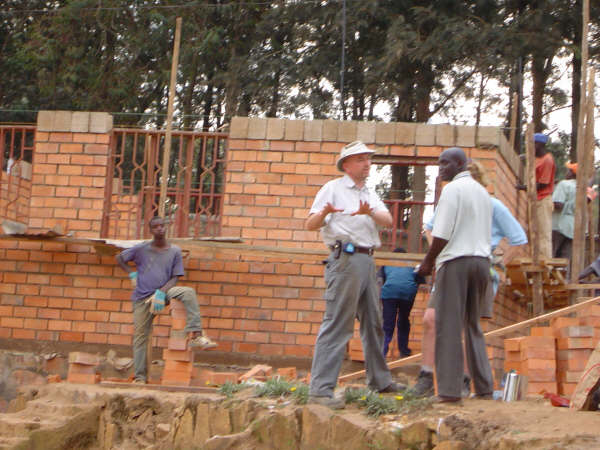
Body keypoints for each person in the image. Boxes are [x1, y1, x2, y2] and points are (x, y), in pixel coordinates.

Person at [415, 160, 528, 398]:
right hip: (451, 263)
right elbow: (432, 228)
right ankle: (427, 377)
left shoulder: (490, 204)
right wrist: (437, 255)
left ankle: (461, 385)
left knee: (467, 327)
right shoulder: (455, 196)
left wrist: (499, 264)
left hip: (476, 267)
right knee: (432, 319)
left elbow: (519, 239)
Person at [305, 140, 405, 409]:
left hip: (367, 260)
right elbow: (310, 224)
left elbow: (388, 220)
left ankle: (380, 380)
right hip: (346, 259)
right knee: (338, 323)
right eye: (361, 159)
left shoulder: (369, 193)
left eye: (368, 159)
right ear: (346, 165)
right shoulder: (333, 189)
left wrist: (369, 210)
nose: (367, 163)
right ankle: (320, 391)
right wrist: (325, 212)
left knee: (374, 322)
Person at [416, 147, 494, 403]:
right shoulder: (483, 192)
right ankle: (483, 387)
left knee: (448, 327)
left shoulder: (452, 190)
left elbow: (442, 234)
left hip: (456, 262)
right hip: (482, 264)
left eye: (445, 164)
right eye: (439, 164)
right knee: (473, 325)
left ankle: (449, 392)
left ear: (461, 164)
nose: (440, 170)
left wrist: (428, 263)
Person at [116, 216, 216, 384]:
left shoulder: (174, 251)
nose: (160, 229)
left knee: (188, 292)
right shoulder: (141, 249)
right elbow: (120, 258)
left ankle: (197, 335)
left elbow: (175, 277)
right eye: (156, 227)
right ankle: (140, 377)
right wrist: (131, 273)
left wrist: (161, 293)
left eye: (163, 226)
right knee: (141, 336)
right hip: (142, 297)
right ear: (151, 230)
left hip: (165, 293)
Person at [378, 248, 425, 358]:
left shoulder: (387, 263)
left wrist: (379, 297)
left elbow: (380, 280)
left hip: (389, 293)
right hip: (407, 294)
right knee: (403, 320)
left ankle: (382, 352)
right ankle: (404, 351)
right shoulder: (412, 263)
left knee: (388, 323)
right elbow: (420, 282)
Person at [517, 133, 555, 259]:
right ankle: (535, 259)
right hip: (534, 199)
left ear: (538, 145)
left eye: (531, 144)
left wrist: (524, 188)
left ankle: (545, 264)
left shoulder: (547, 160)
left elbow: (543, 184)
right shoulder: (534, 159)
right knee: (533, 232)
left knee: (543, 233)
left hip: (543, 200)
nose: (529, 147)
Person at [552, 162, 577, 260]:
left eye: (569, 170)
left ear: (572, 173)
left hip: (559, 225)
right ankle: (563, 275)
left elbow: (558, 204)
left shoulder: (564, 184)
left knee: (550, 257)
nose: (566, 173)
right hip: (572, 228)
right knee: (564, 260)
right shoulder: (582, 188)